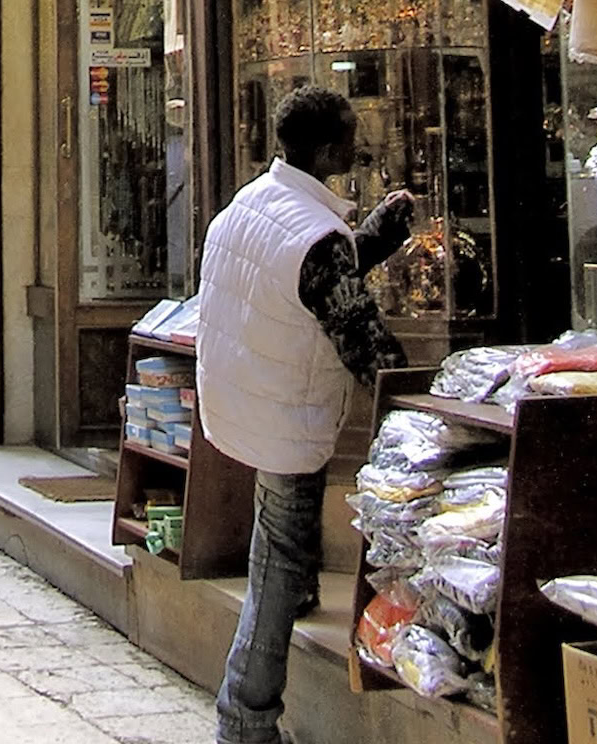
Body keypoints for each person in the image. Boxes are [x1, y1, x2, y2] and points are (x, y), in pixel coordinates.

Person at [197, 85, 414, 744]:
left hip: (247, 405)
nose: (359, 147)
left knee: (279, 560)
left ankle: (247, 712)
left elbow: (306, 281)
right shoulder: (314, 235)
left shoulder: (254, 203)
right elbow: (360, 338)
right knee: (278, 574)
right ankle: (245, 718)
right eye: (349, 139)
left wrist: (371, 236)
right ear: (325, 151)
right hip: (285, 416)